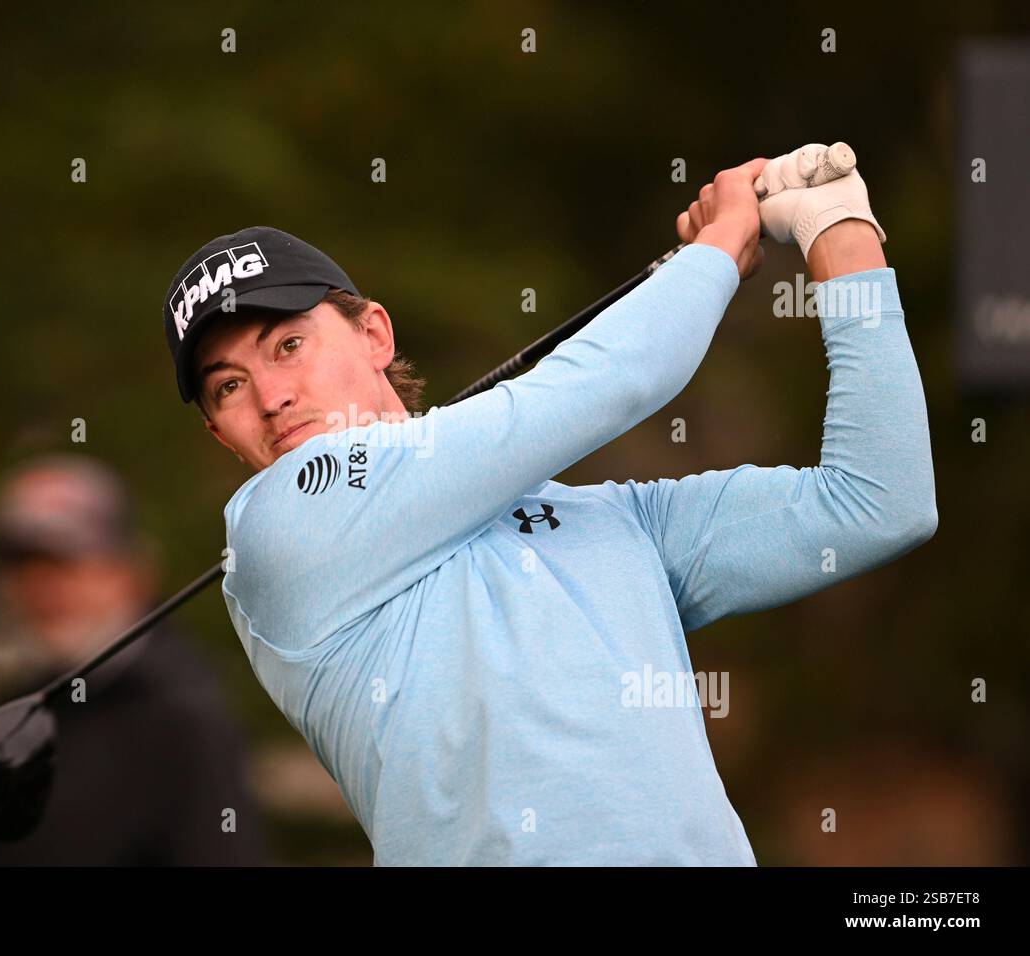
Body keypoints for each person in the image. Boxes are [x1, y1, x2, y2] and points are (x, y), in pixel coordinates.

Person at [161, 147, 937, 865]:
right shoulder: (276, 527)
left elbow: (875, 502)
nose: (271, 397)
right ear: (217, 432)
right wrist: (718, 250)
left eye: (287, 345)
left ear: (374, 334)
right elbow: (613, 381)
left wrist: (841, 235)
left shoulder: (614, 521)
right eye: (228, 385)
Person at [0, 454, 267, 865]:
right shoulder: (22, 708)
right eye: (22, 567)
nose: (40, 588)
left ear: (132, 570)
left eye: (64, 563)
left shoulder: (181, 713)